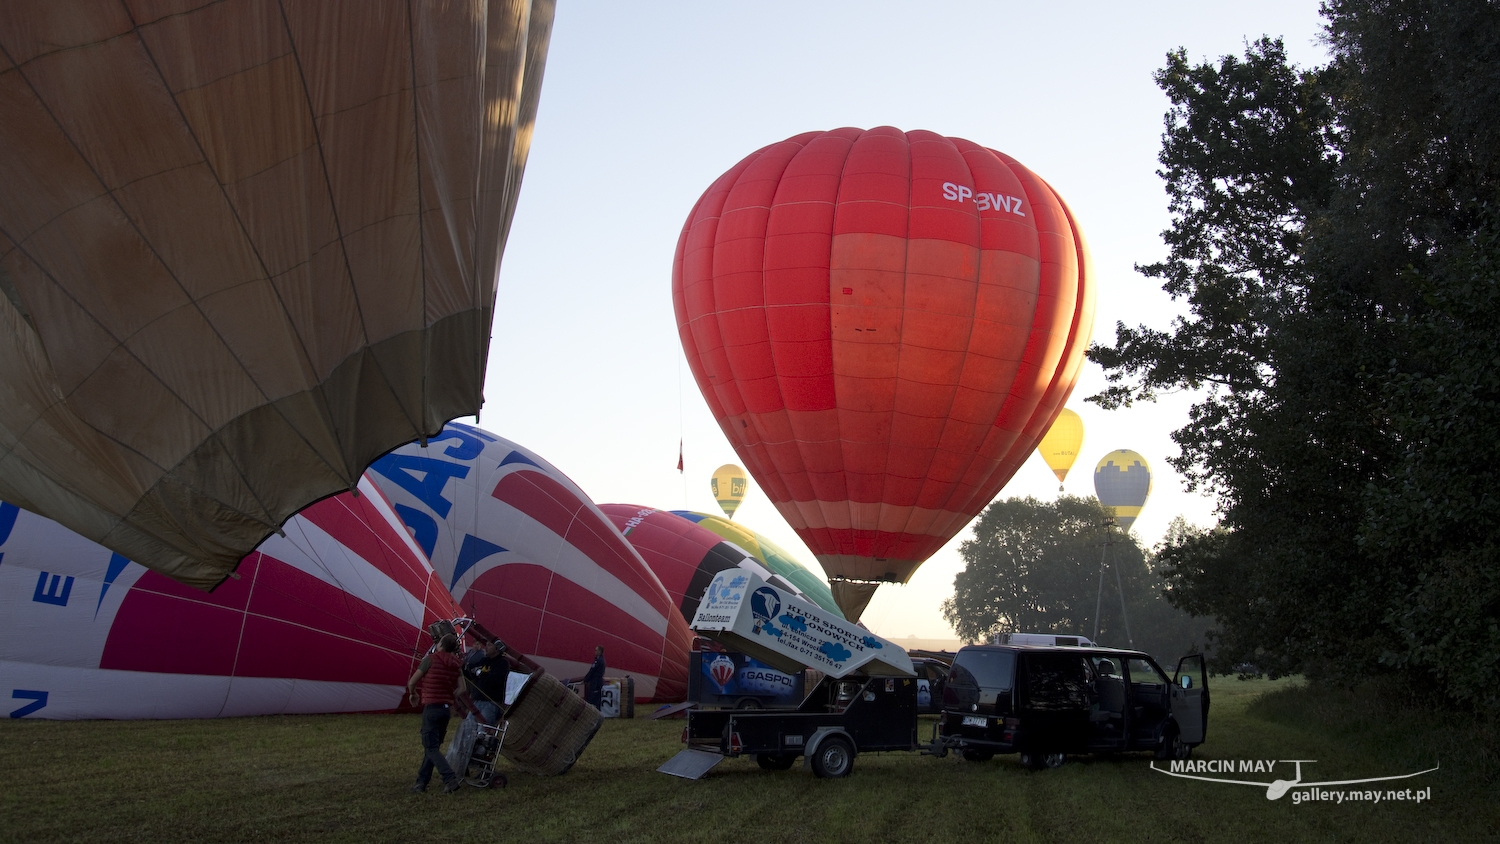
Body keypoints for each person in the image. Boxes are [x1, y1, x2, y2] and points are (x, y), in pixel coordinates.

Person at [406, 633, 465, 794]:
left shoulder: (430, 659)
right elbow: (462, 688)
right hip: (445, 710)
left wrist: (413, 694)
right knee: (433, 748)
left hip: (431, 708)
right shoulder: (457, 664)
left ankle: (450, 779)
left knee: (431, 748)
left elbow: (412, 681)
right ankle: (421, 783)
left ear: (440, 645)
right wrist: (448, 696)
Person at [463, 638, 511, 725]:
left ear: (497, 648)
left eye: (489, 645)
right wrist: (462, 666)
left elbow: (495, 680)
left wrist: (480, 673)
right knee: (468, 727)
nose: (485, 647)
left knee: (483, 731)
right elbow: (470, 672)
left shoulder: (502, 663)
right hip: (477, 701)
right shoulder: (485, 660)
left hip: (491, 703)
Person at [582, 645, 606, 709]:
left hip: (596, 681)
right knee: (597, 697)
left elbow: (592, 671)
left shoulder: (598, 661)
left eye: (596, 650)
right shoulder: (600, 660)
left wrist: (586, 679)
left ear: (600, 651)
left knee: (593, 696)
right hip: (598, 681)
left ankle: (592, 710)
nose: (594, 652)